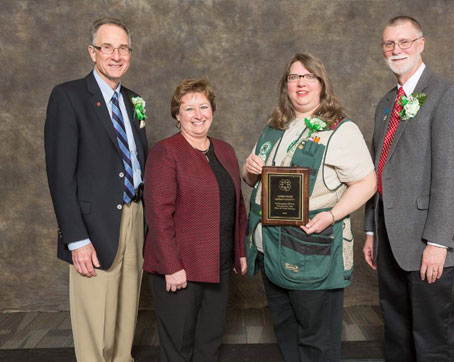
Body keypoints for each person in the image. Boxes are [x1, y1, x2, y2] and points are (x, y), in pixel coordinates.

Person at [242, 53, 377, 362]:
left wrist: (331, 215)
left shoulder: (341, 130)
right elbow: (252, 181)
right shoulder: (275, 126)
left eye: (308, 77)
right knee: (287, 334)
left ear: (321, 84)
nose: (300, 83)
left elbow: (367, 183)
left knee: (318, 342)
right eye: (293, 77)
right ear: (285, 85)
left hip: (313, 252)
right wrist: (249, 169)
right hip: (272, 253)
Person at [363, 16, 454, 362]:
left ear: (421, 44)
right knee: (397, 335)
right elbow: (376, 170)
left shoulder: (446, 94)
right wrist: (370, 230)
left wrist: (438, 243)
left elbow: (450, 174)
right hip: (389, 241)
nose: (397, 50)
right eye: (389, 44)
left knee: (433, 340)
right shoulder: (385, 104)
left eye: (405, 42)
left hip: (428, 242)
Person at [44, 17, 148, 362]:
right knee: (94, 324)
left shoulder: (134, 100)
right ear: (93, 52)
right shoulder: (68, 96)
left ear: (130, 53)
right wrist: (76, 239)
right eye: (107, 47)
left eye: (123, 48)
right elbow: (60, 176)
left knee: (124, 313)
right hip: (92, 227)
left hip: (134, 216)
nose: (116, 55)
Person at [143, 78, 247, 362]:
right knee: (178, 348)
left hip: (219, 266)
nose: (198, 114)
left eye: (203, 106)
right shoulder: (166, 152)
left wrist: (240, 252)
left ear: (212, 110)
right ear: (177, 115)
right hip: (181, 270)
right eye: (189, 109)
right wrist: (172, 266)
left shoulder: (224, 150)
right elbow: (158, 215)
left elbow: (236, 205)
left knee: (209, 345)